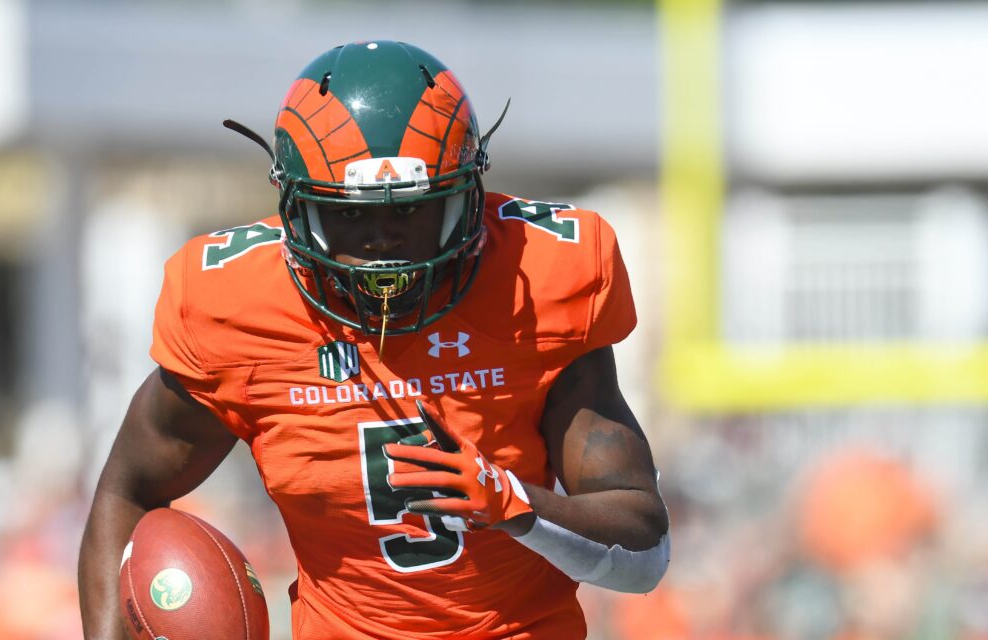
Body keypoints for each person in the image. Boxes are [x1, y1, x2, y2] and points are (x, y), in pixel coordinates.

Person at [78, 40, 669, 639]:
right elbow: (125, 495)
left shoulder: (539, 283)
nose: (382, 242)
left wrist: (515, 504)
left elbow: (645, 555)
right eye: (351, 215)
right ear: (296, 208)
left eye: (410, 211)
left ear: (465, 198)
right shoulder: (233, 307)